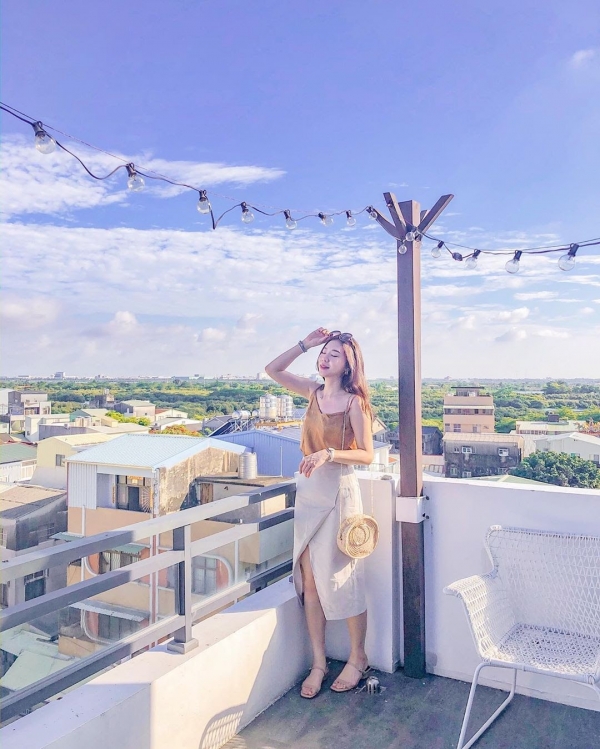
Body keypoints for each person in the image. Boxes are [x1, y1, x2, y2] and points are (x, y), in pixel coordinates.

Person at [265, 327, 374, 698]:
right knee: (309, 582)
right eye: (323, 352)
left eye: (334, 354)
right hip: (309, 492)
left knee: (343, 578)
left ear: (349, 365)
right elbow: (273, 370)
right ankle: (318, 662)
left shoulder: (354, 403)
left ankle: (358, 657)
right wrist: (304, 343)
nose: (325, 358)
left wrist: (329, 453)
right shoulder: (312, 392)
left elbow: (367, 454)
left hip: (339, 493)